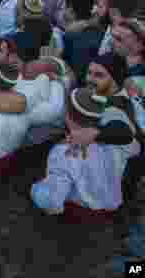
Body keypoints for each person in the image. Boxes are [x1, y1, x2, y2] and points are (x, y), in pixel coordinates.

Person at [31, 88, 141, 223]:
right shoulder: (116, 140)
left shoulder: (64, 152)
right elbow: (136, 148)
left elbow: (51, 203)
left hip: (81, 213)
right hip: (112, 203)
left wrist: (36, 189)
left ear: (68, 116)